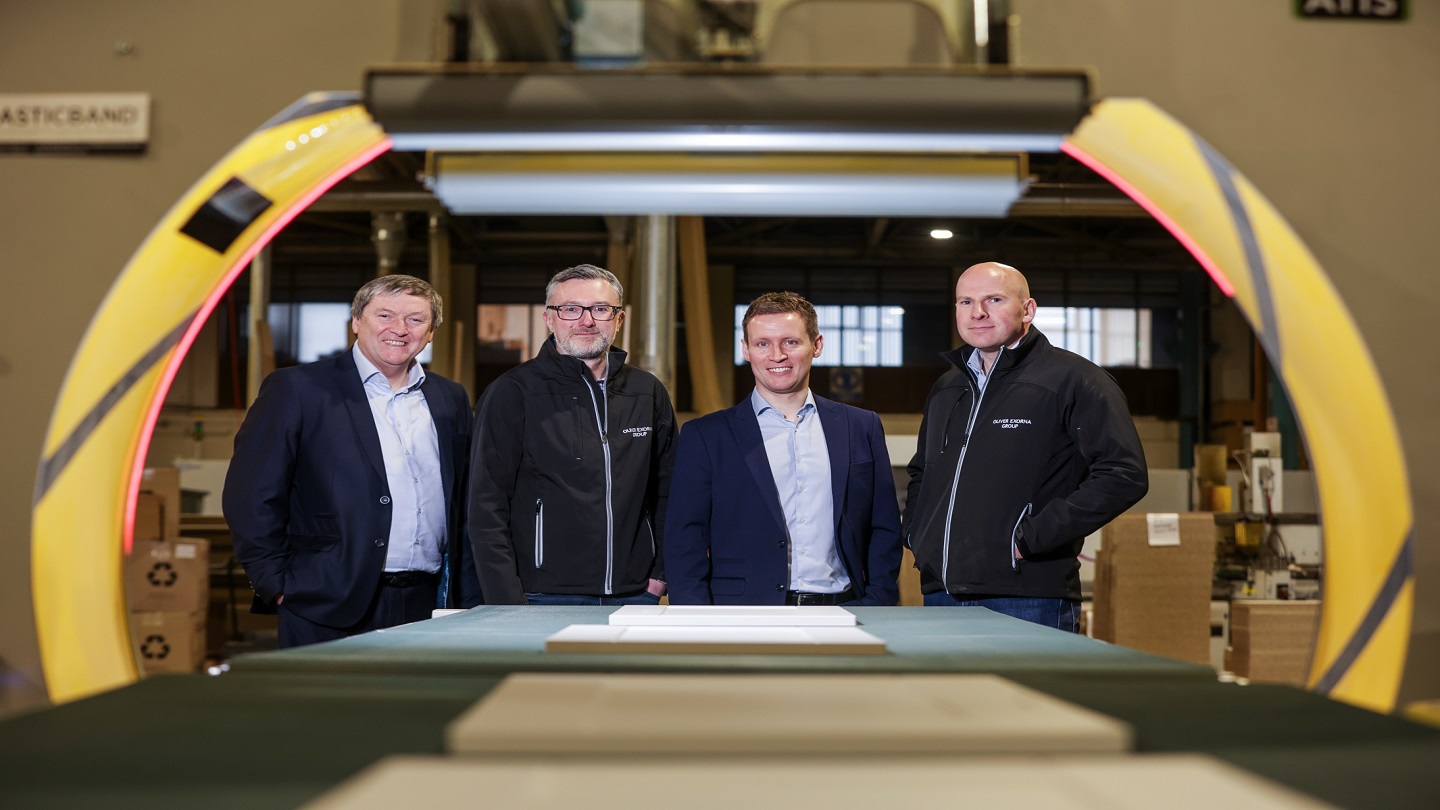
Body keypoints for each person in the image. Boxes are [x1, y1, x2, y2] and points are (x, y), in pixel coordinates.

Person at [223, 274, 479, 649]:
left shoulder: (449, 398)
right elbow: (252, 493)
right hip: (325, 599)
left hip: (428, 600)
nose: (400, 329)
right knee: (326, 708)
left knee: (416, 709)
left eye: (415, 319)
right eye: (385, 316)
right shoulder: (299, 389)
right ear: (356, 321)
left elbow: (463, 497)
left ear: (431, 332)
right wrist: (275, 583)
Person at [903, 262, 1148, 631]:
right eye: (965, 302)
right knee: (943, 693)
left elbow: (1124, 474)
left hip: (1028, 596)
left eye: (994, 299)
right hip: (943, 594)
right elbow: (923, 471)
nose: (977, 313)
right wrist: (918, 535)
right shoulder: (947, 388)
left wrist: (1030, 538)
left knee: (1028, 692)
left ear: (1028, 309)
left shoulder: (1075, 380)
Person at [667, 292, 902, 606]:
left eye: (790, 342)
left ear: (816, 345)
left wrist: (878, 599)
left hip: (845, 609)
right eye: (762, 343)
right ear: (746, 349)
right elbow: (685, 537)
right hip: (741, 614)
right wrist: (695, 616)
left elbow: (883, 525)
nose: (776, 355)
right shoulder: (706, 435)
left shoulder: (861, 426)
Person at [469, 264, 676, 605]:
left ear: (619, 320)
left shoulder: (646, 391)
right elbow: (486, 505)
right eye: (570, 309)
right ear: (549, 319)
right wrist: (505, 598)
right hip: (541, 596)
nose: (586, 320)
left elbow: (668, 489)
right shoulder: (513, 391)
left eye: (600, 309)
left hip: (634, 593)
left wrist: (661, 573)